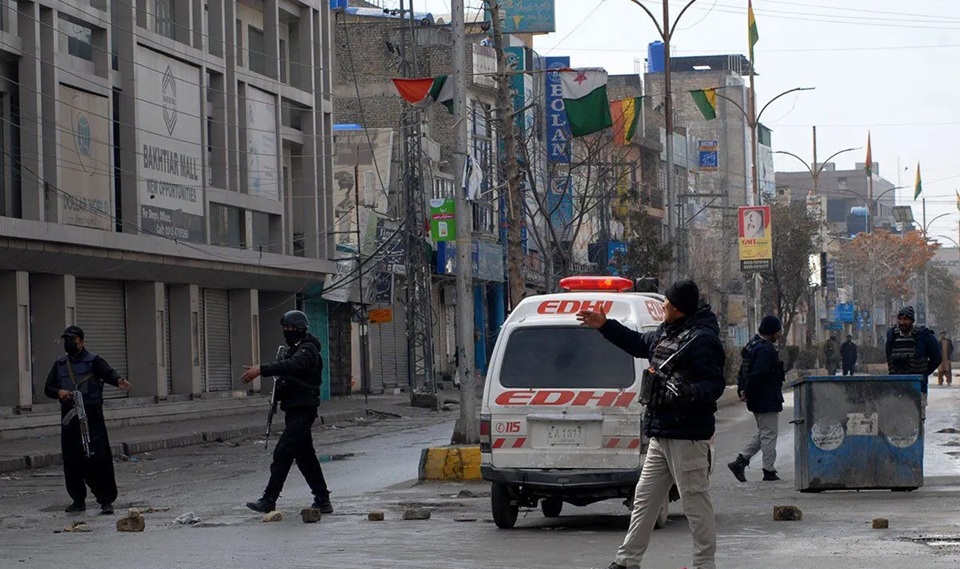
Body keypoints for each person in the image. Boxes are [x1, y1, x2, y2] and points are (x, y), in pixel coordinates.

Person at [577, 279, 725, 569]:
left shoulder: (702, 339)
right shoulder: (668, 331)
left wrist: (691, 392)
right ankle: (626, 561)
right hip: (661, 432)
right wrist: (605, 325)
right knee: (644, 500)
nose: (663, 304)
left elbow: (715, 384)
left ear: (678, 307)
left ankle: (705, 563)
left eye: (667, 301)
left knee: (695, 502)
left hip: (687, 436)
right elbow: (639, 344)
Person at [240, 310, 333, 514]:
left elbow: (292, 366)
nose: (287, 331)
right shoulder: (293, 349)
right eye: (284, 328)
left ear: (300, 328)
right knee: (305, 457)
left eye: (290, 327)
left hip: (303, 410)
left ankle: (269, 500)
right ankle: (323, 500)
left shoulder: (307, 349)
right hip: (293, 409)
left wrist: (261, 370)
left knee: (283, 452)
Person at [43, 326, 131, 514]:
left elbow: (108, 373)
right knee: (72, 460)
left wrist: (119, 380)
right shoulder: (60, 364)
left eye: (72, 340)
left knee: (99, 459)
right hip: (70, 418)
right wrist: (59, 392)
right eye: (66, 340)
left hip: (92, 417)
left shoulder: (94, 360)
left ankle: (106, 500)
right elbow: (48, 388)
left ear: (82, 342)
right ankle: (77, 500)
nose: (69, 343)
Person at [728, 315, 786, 483]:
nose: (779, 334)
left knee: (764, 432)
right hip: (766, 398)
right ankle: (768, 470)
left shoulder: (752, 345)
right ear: (771, 331)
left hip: (759, 398)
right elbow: (758, 375)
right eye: (778, 331)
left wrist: (743, 389)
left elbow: (743, 371)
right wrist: (747, 390)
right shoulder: (765, 350)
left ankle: (741, 461)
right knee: (769, 435)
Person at [885, 306, 941, 378]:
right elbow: (889, 357)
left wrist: (923, 374)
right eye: (900, 319)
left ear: (912, 320)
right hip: (897, 381)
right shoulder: (892, 336)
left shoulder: (923, 335)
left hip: (917, 382)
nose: (902, 322)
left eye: (905, 319)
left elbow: (936, 358)